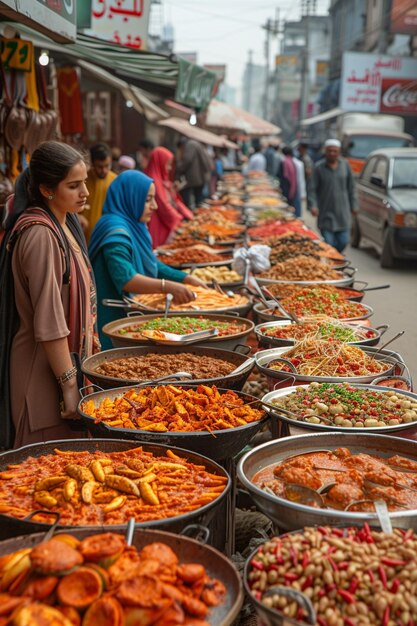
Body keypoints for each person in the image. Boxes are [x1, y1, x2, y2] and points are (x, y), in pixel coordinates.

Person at [0, 141, 96, 449]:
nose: (85, 193)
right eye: (74, 186)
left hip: (60, 366)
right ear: (46, 189)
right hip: (42, 376)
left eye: (84, 182)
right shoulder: (41, 235)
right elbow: (49, 320)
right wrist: (69, 386)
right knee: (40, 476)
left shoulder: (65, 224)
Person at [89, 170, 204, 349]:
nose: (155, 206)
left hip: (129, 316)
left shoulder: (133, 224)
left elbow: (150, 262)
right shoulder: (115, 230)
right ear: (130, 198)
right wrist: (167, 287)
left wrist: (185, 278)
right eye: (148, 199)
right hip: (112, 321)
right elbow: (126, 278)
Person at [308, 138, 357, 253]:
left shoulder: (345, 165)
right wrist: (313, 205)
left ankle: (334, 258)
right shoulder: (319, 167)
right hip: (326, 213)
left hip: (342, 213)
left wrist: (354, 205)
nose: (332, 153)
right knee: (328, 243)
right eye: (329, 151)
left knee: (343, 241)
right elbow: (312, 189)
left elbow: (352, 187)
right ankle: (332, 264)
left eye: (335, 151)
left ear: (339, 152)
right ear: (325, 151)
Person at [144, 146, 192, 247]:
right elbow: (164, 206)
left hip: (164, 224)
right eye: (168, 164)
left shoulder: (162, 180)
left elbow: (174, 201)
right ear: (159, 162)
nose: (169, 168)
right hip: (158, 225)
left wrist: (189, 215)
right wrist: (179, 220)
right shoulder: (154, 182)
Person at [83, 143, 117, 242]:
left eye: (107, 165)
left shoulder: (115, 180)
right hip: (85, 238)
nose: (104, 170)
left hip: (108, 237)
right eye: (100, 167)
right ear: (92, 164)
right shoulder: (83, 180)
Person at [175, 138, 212, 208]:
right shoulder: (195, 144)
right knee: (199, 200)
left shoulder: (190, 145)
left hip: (195, 178)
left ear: (181, 146)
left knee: (188, 199)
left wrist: (178, 169)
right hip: (201, 177)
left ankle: (189, 214)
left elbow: (187, 160)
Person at [278, 146, 298, 211]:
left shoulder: (284, 162)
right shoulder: (292, 161)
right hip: (292, 187)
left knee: (286, 206)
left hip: (286, 187)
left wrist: (281, 188)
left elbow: (283, 177)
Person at [298, 142, 314, 210]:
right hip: (303, 179)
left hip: (307, 179)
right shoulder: (301, 157)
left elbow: (309, 171)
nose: (298, 149)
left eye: (300, 148)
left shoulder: (306, 158)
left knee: (308, 193)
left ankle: (310, 207)